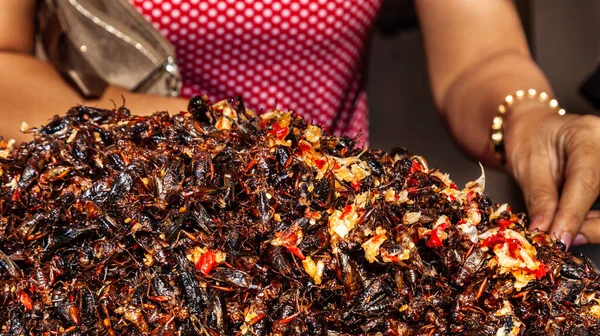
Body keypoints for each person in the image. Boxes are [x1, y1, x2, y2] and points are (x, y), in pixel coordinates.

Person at [1, 0, 599, 249]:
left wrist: (526, 117)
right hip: (114, 220)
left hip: (324, 229)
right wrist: (244, 140)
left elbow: (479, 55)